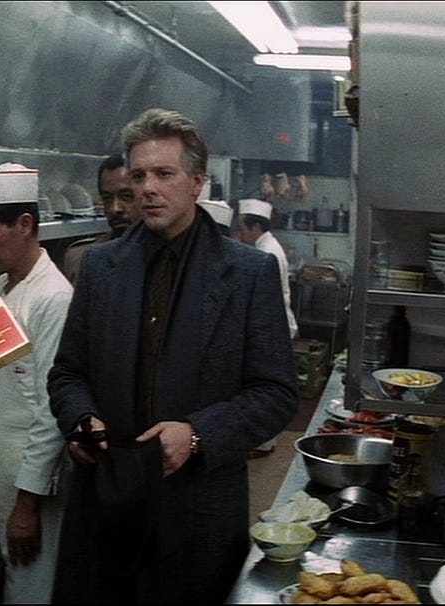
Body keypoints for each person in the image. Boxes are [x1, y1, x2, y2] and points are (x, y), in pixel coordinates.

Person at [47, 108, 298, 603]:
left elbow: (276, 394)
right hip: (107, 503)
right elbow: (68, 372)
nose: (148, 189)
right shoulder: (101, 266)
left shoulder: (248, 273)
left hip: (196, 509)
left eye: (164, 174)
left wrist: (198, 434)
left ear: (197, 182)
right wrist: (80, 419)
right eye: (139, 176)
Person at [0, 173, 74, 603]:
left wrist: (27, 506)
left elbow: (53, 411)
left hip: (26, 482)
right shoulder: (1, 286)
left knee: (28, 591)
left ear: (25, 224)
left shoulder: (53, 298)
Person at [62, 153, 137, 283]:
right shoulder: (81, 258)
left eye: (126, 196)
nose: (115, 208)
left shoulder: (164, 258)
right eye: (107, 198)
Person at [236, 198, 299, 340]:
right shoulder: (266, 246)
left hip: (274, 325)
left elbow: (263, 295)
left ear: (256, 227)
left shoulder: (267, 252)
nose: (240, 234)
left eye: (242, 229)